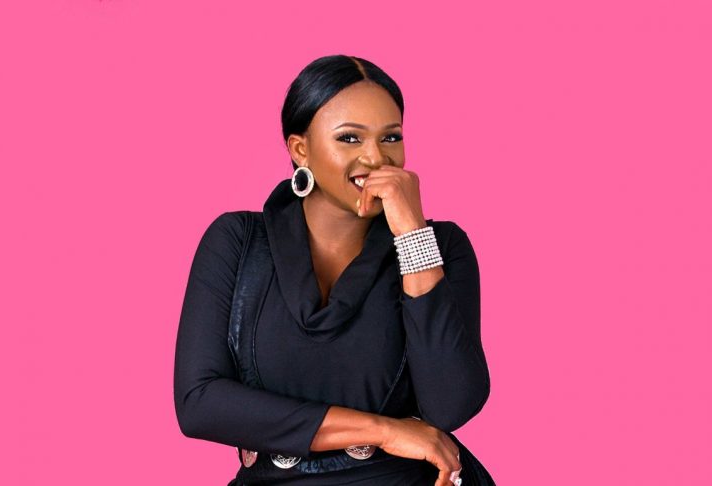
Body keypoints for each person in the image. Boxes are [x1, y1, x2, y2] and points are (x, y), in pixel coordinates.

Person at [173, 54, 494, 485]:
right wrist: (384, 431)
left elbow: (451, 403)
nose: (376, 158)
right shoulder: (238, 242)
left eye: (391, 137)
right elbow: (199, 403)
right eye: (349, 138)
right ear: (300, 149)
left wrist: (412, 235)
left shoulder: (441, 246)